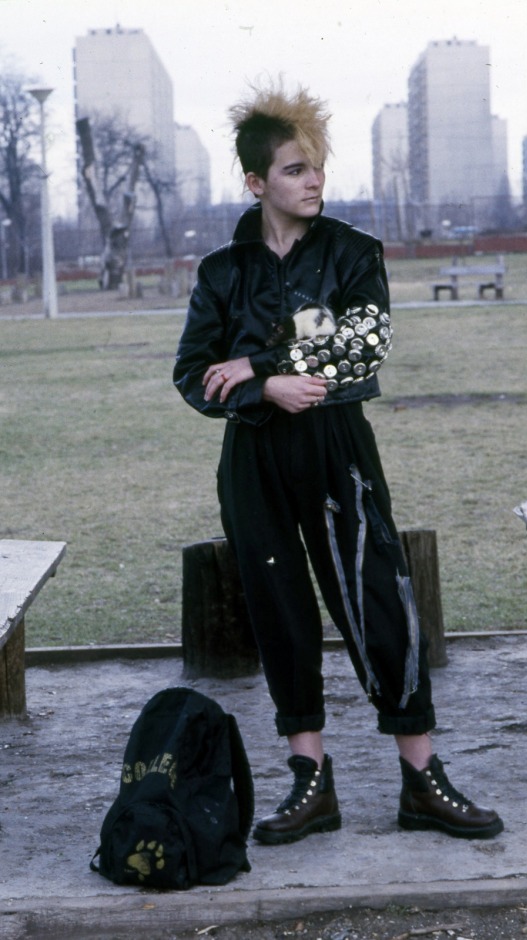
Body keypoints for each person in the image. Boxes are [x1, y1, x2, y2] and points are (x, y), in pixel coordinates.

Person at [173, 81, 503, 847]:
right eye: (293, 169)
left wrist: (256, 365)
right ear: (257, 182)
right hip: (253, 460)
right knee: (279, 612)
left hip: (337, 451)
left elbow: (364, 346)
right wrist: (260, 393)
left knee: (379, 601)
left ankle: (422, 777)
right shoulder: (223, 273)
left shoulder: (356, 253)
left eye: (316, 166)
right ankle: (308, 780)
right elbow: (194, 374)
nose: (312, 180)